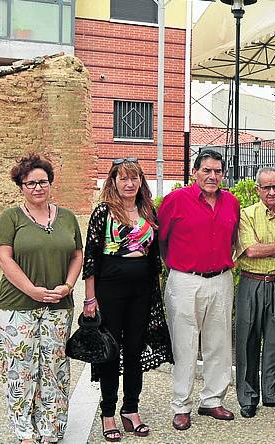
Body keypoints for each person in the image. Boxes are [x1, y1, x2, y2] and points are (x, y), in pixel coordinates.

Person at [0, 153, 83, 444]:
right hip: (17, 306)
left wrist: (69, 285)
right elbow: (4, 258)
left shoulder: (67, 217)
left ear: (50, 183)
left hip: (58, 306)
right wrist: (31, 290)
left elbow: (76, 254)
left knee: (54, 369)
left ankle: (51, 430)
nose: (37, 188)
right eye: (30, 183)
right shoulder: (11, 217)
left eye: (42, 181)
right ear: (20, 186)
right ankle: (25, 433)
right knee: (21, 370)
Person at [82, 158, 174, 441]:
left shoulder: (147, 210)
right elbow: (90, 258)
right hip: (110, 291)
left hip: (141, 292)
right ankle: (108, 412)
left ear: (140, 182)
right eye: (123, 178)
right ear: (113, 182)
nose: (129, 184)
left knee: (134, 350)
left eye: (134, 178)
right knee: (110, 352)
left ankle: (131, 409)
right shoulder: (103, 212)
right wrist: (89, 299)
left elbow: (154, 257)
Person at [157, 149, 240, 431]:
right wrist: (177, 267)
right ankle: (181, 405)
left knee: (218, 343)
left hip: (220, 278)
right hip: (185, 280)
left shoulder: (231, 202)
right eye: (206, 170)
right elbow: (161, 241)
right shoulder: (175, 201)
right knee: (185, 344)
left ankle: (212, 399)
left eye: (217, 171)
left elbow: (233, 239)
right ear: (195, 172)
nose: (212, 176)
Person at [235, 167, 275, 419]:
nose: (271, 192)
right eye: (266, 187)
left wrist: (268, 248)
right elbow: (250, 250)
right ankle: (248, 398)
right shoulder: (246, 215)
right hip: (251, 283)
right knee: (248, 339)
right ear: (257, 189)